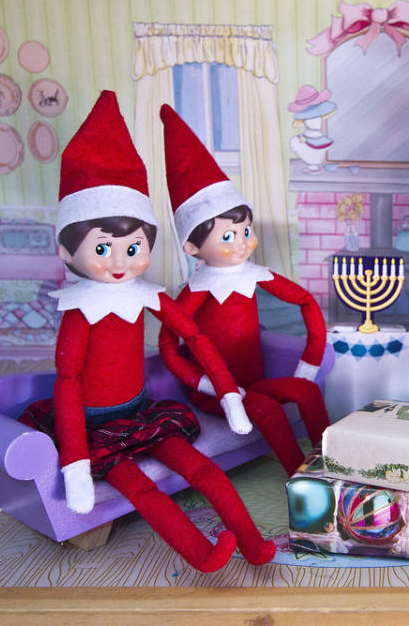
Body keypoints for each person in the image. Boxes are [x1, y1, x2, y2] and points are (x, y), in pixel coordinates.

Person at [21, 90, 275, 572]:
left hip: (140, 410)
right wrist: (75, 465)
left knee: (201, 467)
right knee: (139, 487)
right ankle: (201, 554)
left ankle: (253, 541)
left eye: (134, 247)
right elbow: (68, 383)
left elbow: (195, 339)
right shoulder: (79, 311)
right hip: (90, 425)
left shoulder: (148, 295)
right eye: (103, 248)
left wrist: (229, 395)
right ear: (66, 251)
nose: (121, 262)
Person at [157, 104, 330, 476]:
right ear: (192, 247)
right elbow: (169, 348)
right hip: (216, 396)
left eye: (245, 231)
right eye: (227, 236)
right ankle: (302, 480)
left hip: (255, 381)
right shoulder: (196, 291)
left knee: (308, 392)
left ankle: (333, 467)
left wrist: (309, 363)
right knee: (266, 409)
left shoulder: (254, 274)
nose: (241, 243)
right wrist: (205, 384)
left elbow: (305, 301)